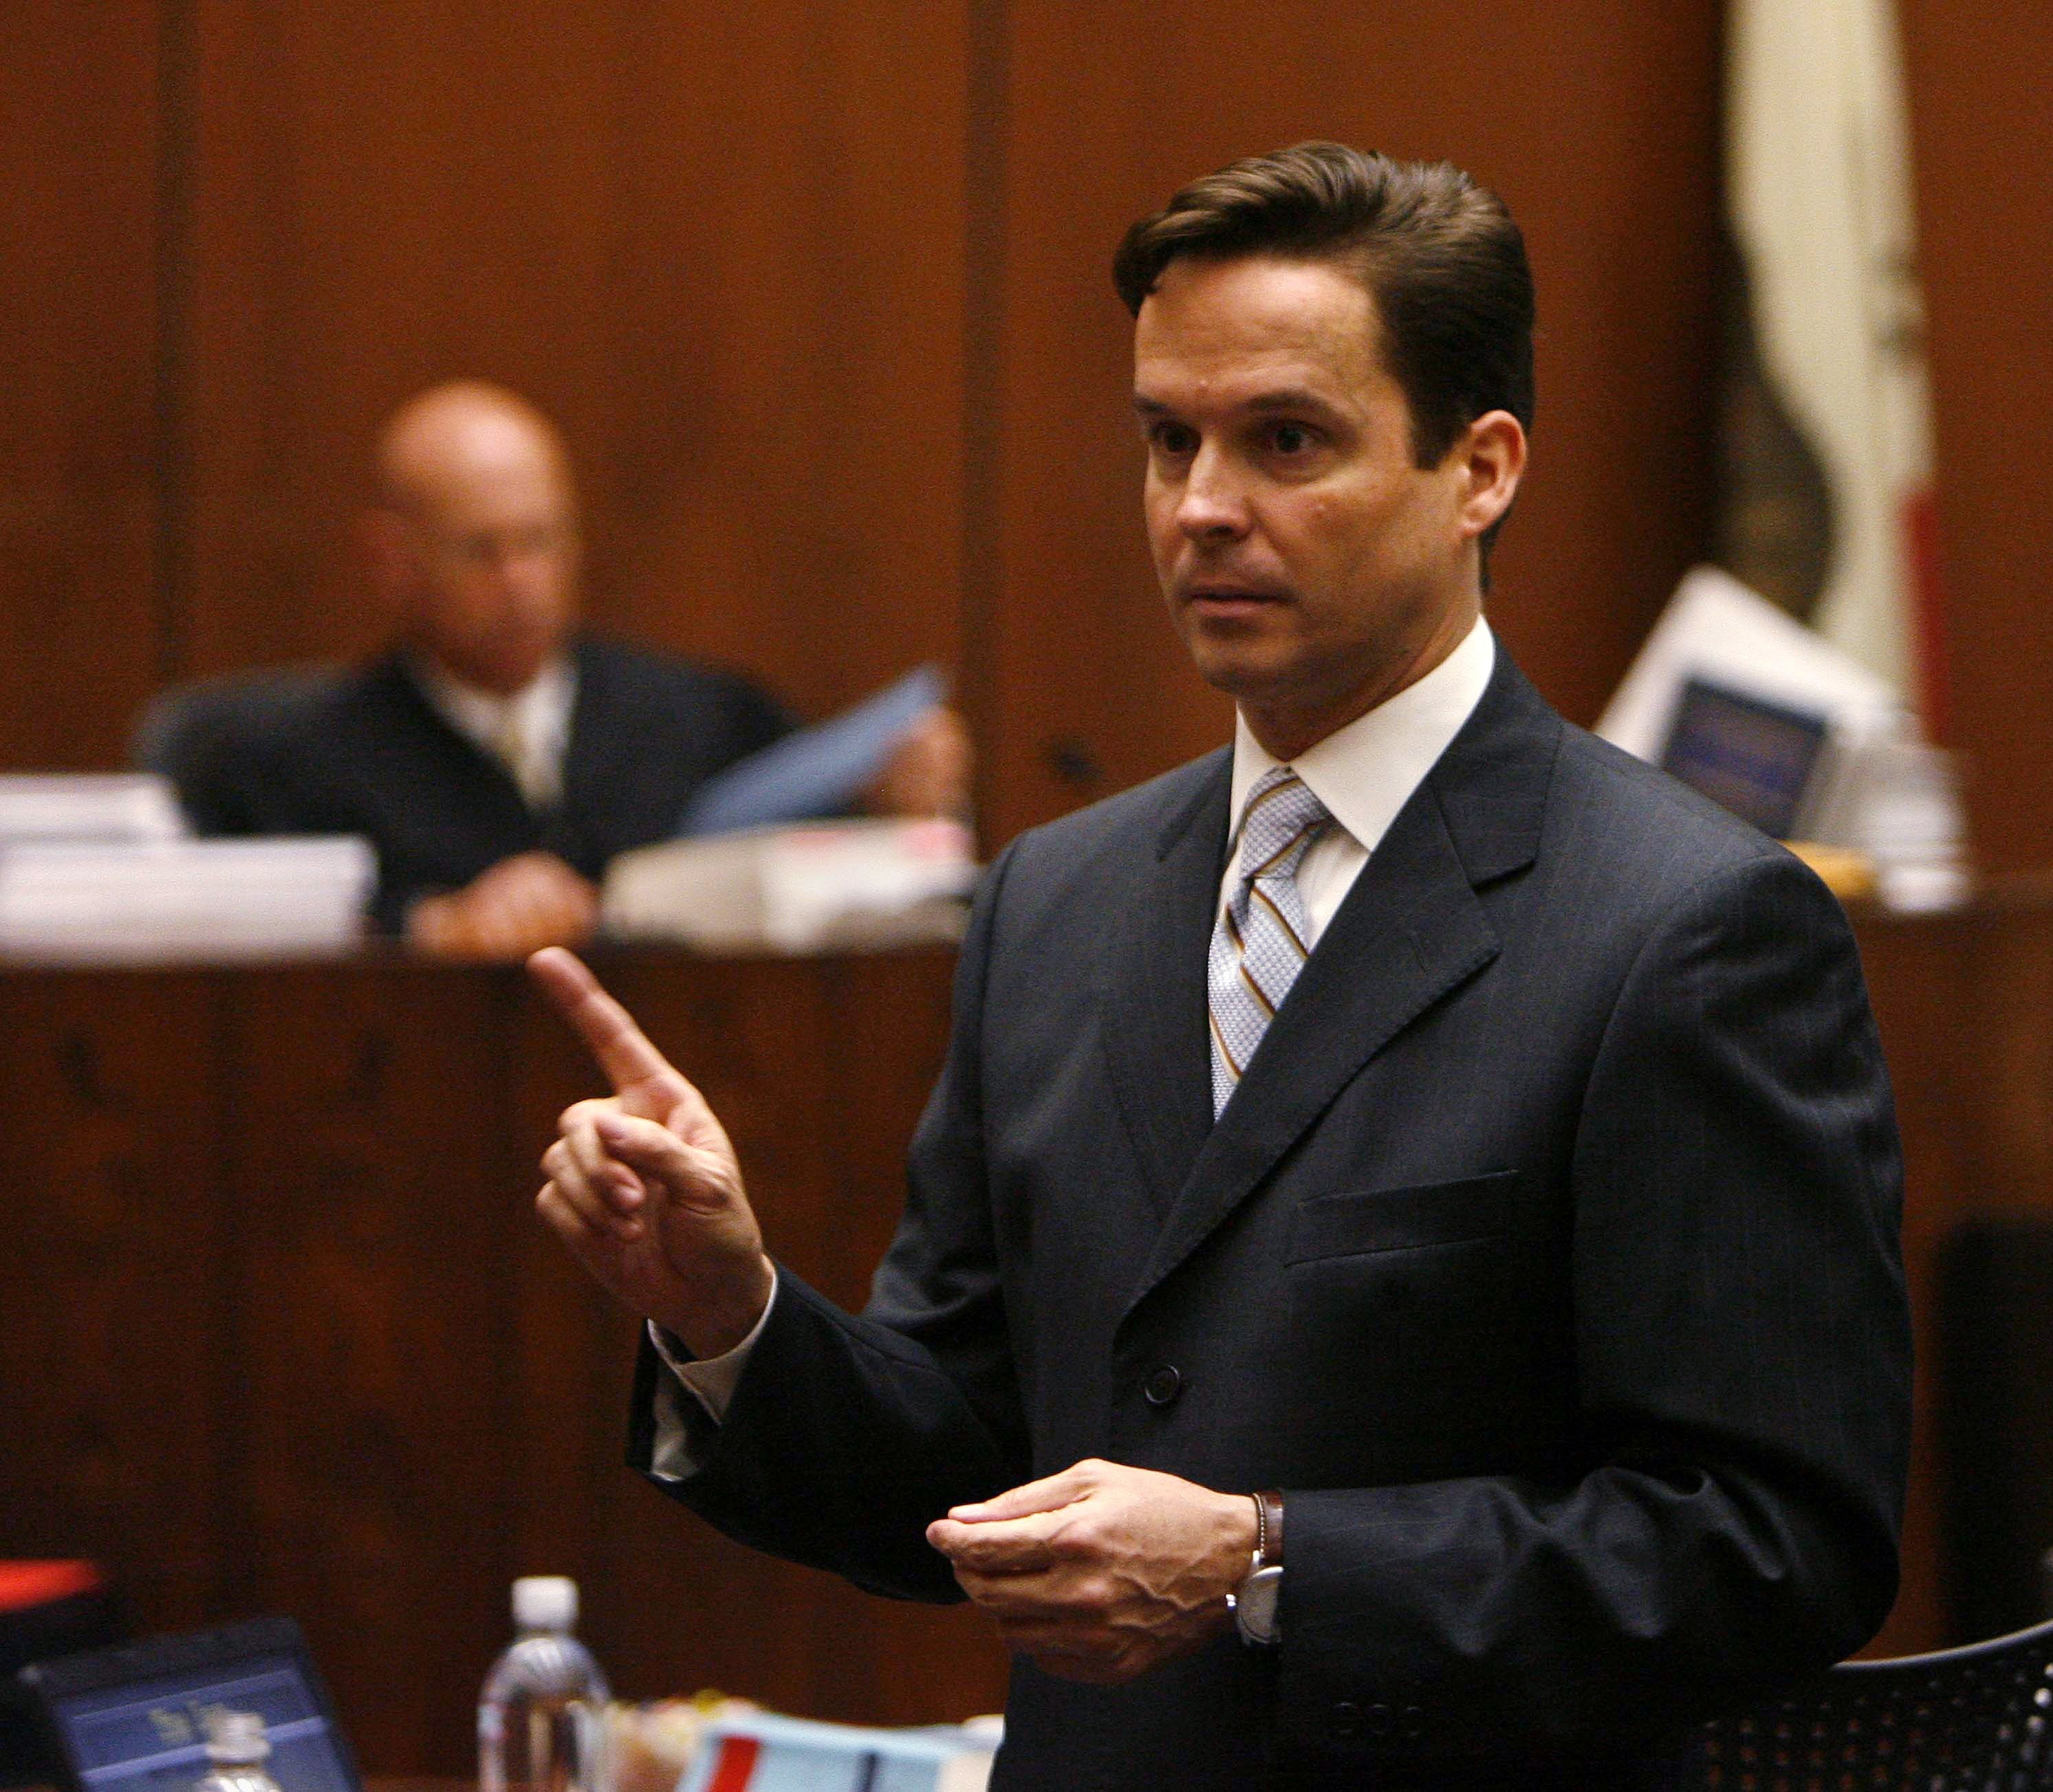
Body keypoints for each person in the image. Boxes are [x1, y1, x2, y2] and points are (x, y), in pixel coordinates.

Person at [529, 144, 1910, 1788]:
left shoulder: (1686, 925)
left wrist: (1266, 1562)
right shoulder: (1054, 901)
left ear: (1479, 470)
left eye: (1285, 441)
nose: (1199, 506)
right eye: (1167, 439)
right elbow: (965, 1467)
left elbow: (1770, 1546)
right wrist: (729, 1309)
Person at [160, 381, 968, 955]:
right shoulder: (290, 764)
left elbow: (820, 884)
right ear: (393, 561)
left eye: (541, 540)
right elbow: (251, 941)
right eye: (481, 550)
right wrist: (427, 927)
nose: (520, 581)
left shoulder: (700, 714)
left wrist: (888, 805)